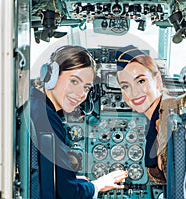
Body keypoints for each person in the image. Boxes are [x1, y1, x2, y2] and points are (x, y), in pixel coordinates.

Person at [30, 45, 128, 199]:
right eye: (74, 81)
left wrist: (72, 181)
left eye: (86, 87)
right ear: (51, 76)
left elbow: (52, 178)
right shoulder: (48, 119)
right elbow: (68, 193)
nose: (80, 94)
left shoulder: (34, 103)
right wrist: (98, 185)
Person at [115, 45, 186, 185]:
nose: (134, 92)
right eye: (125, 86)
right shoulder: (152, 126)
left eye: (141, 81)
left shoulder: (182, 107)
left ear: (158, 80)